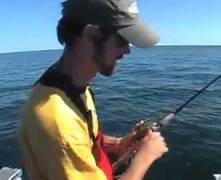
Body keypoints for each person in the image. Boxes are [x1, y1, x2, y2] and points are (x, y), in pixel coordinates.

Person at [18, 0, 168, 180]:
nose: (127, 50)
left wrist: (120, 143)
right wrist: (145, 158)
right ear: (90, 35)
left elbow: (83, 137)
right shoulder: (57, 119)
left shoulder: (70, 84)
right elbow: (67, 136)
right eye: (122, 39)